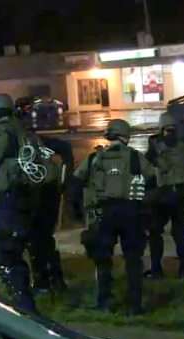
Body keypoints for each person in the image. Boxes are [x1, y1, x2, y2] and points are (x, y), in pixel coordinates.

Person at [72, 119, 154, 315]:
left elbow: (75, 181)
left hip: (103, 214)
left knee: (103, 260)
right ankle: (135, 305)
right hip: (130, 213)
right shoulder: (135, 157)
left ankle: (104, 302)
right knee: (133, 260)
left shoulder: (94, 158)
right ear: (125, 136)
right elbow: (152, 179)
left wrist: (78, 211)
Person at [0, 93, 45, 314]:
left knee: (3, 252)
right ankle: (27, 300)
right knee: (17, 249)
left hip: (9, 201)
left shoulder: (2, 132)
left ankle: (24, 309)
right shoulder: (25, 132)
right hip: (30, 199)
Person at [144, 112, 184, 279]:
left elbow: (147, 172)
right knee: (180, 233)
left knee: (155, 233)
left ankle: (156, 270)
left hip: (161, 196)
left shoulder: (154, 146)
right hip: (182, 195)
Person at [27, 135, 73, 294]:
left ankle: (43, 282)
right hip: (50, 192)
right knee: (45, 238)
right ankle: (55, 279)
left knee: (35, 239)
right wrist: (63, 181)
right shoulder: (42, 142)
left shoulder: (14, 141)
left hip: (33, 194)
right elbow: (66, 149)